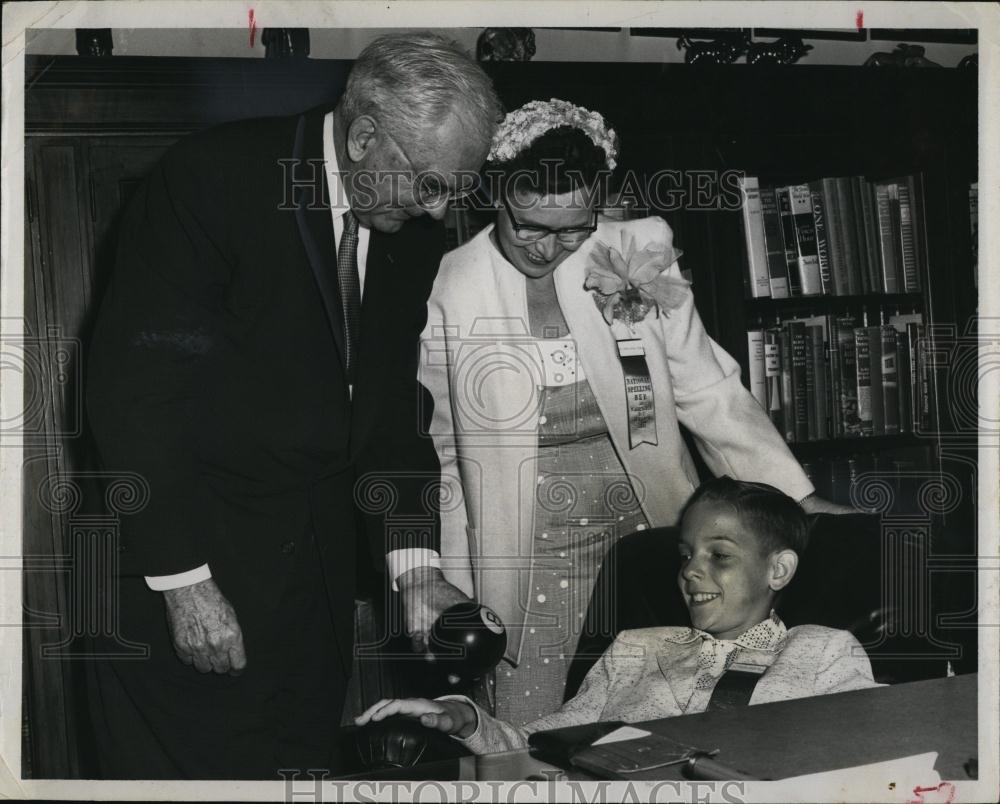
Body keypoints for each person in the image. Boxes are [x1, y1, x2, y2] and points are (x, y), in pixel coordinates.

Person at [85, 32, 499, 779]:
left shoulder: (404, 231)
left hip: (310, 599)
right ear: (365, 134)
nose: (442, 213)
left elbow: (388, 409)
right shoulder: (213, 180)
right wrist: (185, 585)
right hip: (186, 577)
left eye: (455, 190)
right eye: (430, 183)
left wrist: (417, 568)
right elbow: (135, 395)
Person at [418, 99, 852, 727]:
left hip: (652, 531)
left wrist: (793, 499)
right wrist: (448, 573)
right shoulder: (450, 283)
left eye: (572, 228)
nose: (548, 248)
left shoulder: (637, 251)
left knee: (661, 707)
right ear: (495, 198)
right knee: (536, 723)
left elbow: (708, 388)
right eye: (529, 227)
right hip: (528, 545)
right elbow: (442, 446)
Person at [355, 477, 879, 753]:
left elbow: (874, 753)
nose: (691, 572)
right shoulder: (635, 648)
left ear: (779, 570)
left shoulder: (822, 650)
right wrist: (466, 720)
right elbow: (541, 745)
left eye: (718, 555)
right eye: (685, 555)